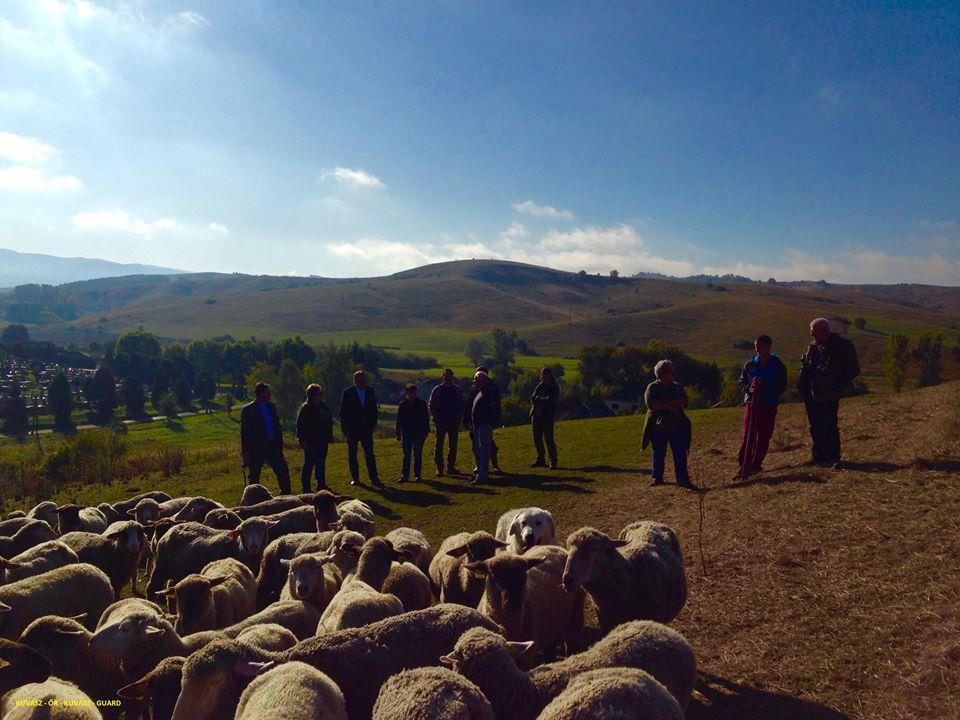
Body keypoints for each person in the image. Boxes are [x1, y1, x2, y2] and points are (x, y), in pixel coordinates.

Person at [799, 317, 861, 470]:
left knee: (829, 425)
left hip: (830, 393)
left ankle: (833, 457)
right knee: (815, 425)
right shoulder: (813, 347)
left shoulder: (842, 346)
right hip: (813, 393)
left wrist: (837, 386)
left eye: (813, 332)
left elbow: (853, 369)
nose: (811, 335)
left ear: (824, 331)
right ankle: (818, 455)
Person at [735, 335, 788, 478]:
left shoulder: (778, 366)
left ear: (768, 347)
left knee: (764, 437)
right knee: (748, 437)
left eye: (759, 346)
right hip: (752, 405)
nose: (757, 349)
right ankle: (743, 466)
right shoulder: (750, 364)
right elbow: (741, 383)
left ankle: (756, 465)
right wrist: (749, 388)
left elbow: (782, 386)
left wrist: (765, 384)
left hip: (769, 405)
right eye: (756, 346)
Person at [641, 360, 697, 489]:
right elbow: (651, 404)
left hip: (677, 427)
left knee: (680, 454)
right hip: (658, 428)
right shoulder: (652, 387)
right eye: (669, 370)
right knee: (659, 454)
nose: (673, 372)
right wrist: (667, 406)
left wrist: (677, 403)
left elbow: (685, 401)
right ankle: (657, 478)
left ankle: (683, 479)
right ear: (662, 373)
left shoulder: (677, 387)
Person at [240, 381, 292, 494]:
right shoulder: (249, 410)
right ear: (261, 394)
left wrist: (280, 443)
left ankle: (286, 493)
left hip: (273, 445)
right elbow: (245, 433)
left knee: (282, 469)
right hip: (257, 447)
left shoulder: (271, 407)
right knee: (254, 474)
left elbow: (277, 426)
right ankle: (252, 497)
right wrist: (246, 452)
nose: (270, 394)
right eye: (268, 392)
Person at [338, 370, 382, 487]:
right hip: (352, 429)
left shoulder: (370, 391)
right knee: (352, 454)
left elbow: (374, 410)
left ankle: (374, 477)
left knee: (369, 454)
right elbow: (343, 411)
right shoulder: (348, 392)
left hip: (366, 429)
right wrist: (344, 428)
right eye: (358, 379)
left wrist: (373, 424)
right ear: (355, 380)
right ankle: (355, 478)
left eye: (362, 379)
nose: (360, 381)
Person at [463, 365, 502, 474]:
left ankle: (492, 465)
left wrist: (494, 420)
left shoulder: (492, 389)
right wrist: (467, 419)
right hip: (476, 421)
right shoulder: (473, 390)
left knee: (487, 444)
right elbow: (469, 405)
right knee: (477, 445)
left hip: (485, 421)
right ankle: (480, 465)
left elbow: (496, 406)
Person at [296, 383, 334, 492]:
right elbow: (300, 426)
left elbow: (328, 420)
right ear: (312, 395)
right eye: (319, 393)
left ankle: (321, 484)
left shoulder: (323, 406)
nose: (321, 395)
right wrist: (302, 440)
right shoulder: (305, 408)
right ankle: (306, 488)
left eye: (321, 393)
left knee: (321, 464)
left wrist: (329, 435)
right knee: (308, 464)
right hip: (310, 442)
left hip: (322, 441)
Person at [428, 369, 464, 476]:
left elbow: (462, 405)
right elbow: (431, 404)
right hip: (441, 421)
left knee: (453, 445)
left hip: (453, 421)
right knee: (439, 445)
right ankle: (440, 468)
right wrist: (434, 417)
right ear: (443, 377)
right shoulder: (437, 390)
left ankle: (450, 467)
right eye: (446, 375)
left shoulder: (457, 390)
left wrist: (458, 418)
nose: (448, 377)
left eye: (450, 375)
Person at [395, 383, 430, 482]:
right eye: (411, 392)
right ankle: (405, 475)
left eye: (414, 392)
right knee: (407, 455)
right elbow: (399, 419)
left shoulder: (421, 404)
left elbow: (425, 419)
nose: (412, 394)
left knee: (417, 454)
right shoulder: (403, 404)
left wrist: (425, 431)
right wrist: (398, 432)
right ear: (407, 393)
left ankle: (417, 475)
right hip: (407, 432)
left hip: (418, 432)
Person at [469, 371, 497, 486]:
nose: (474, 382)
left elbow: (487, 410)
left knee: (483, 451)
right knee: (480, 451)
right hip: (479, 426)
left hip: (483, 426)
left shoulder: (486, 393)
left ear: (481, 380)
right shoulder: (481, 392)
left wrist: (483, 422)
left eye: (475, 379)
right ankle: (481, 474)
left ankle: (482, 476)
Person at [530, 367, 559, 469]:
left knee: (548, 438)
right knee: (537, 438)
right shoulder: (539, 386)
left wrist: (540, 399)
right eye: (543, 375)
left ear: (550, 376)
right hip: (536, 415)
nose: (544, 377)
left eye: (546, 375)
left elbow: (550, 401)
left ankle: (553, 459)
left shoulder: (553, 388)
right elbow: (533, 398)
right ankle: (540, 458)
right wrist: (542, 399)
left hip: (547, 416)